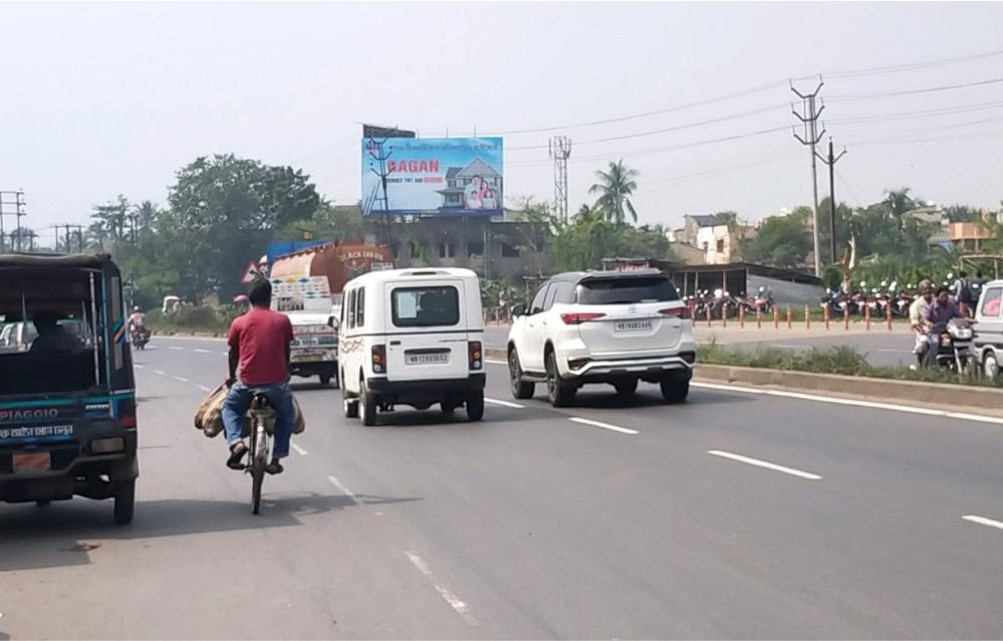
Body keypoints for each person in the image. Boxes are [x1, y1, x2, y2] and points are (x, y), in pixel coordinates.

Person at [221, 280, 295, 475]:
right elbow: (286, 350)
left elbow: (232, 354)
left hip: (247, 383)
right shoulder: (282, 320)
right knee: (287, 416)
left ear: (250, 300)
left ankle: (236, 443)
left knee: (229, 408)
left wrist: (231, 377)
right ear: (269, 298)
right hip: (277, 385)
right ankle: (277, 457)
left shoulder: (239, 322)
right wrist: (285, 373)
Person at [908, 280, 933, 369]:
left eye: (929, 289)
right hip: (924, 331)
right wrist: (921, 330)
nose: (928, 291)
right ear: (920, 291)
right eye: (925, 289)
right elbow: (914, 322)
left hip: (938, 329)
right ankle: (921, 365)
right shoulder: (916, 305)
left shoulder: (936, 302)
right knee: (922, 345)